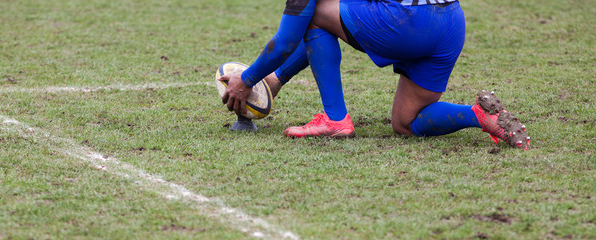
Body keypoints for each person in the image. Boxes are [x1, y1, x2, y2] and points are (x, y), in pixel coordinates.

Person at [219, 0, 530, 150]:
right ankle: (479, 116)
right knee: (406, 123)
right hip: (449, 21)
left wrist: (247, 80)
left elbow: (287, 41)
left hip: (407, 22)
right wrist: (273, 80)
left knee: (311, 14)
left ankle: (335, 120)